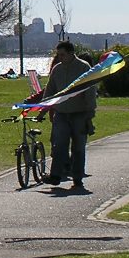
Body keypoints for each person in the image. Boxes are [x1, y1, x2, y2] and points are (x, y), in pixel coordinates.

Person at [42, 41, 97, 191]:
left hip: (79, 114)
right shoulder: (57, 69)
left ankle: (77, 178)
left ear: (71, 53)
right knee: (59, 145)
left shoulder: (84, 67)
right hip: (61, 113)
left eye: (63, 55)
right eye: (58, 55)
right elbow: (50, 90)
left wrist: (90, 113)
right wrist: (43, 108)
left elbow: (90, 92)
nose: (60, 58)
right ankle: (55, 176)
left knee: (78, 147)